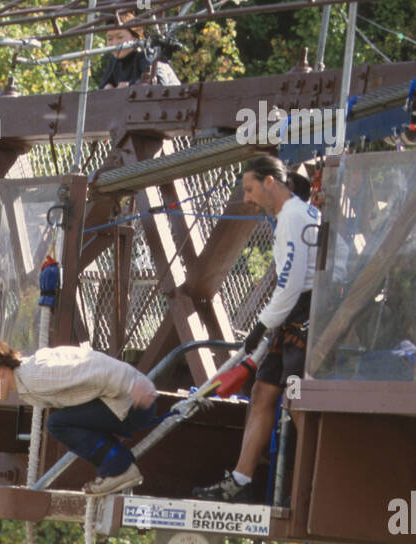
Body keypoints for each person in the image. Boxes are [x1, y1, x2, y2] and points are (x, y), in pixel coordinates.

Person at [192, 154, 321, 503]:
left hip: (306, 315)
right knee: (263, 393)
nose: (247, 199)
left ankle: (316, 481)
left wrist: (261, 326)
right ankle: (240, 479)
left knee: (298, 401)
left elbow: (292, 282)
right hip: (293, 314)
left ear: (270, 182)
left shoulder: (294, 216)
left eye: (249, 189)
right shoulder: (293, 216)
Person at [0, 338, 158, 495]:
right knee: (62, 423)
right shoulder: (26, 384)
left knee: (57, 424)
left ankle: (120, 468)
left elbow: (92, 366)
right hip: (123, 403)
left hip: (134, 403)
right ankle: (117, 465)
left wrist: (133, 384)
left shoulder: (35, 376)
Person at [97, 14, 180, 90]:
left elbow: (158, 84)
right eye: (110, 39)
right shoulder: (114, 61)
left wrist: (128, 85)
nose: (114, 43)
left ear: (136, 38)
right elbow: (103, 87)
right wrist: (107, 87)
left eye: (120, 37)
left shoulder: (147, 55)